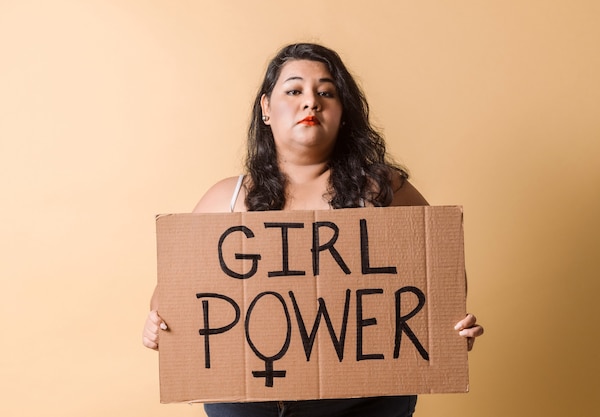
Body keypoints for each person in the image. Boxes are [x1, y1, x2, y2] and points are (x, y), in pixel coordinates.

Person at [142, 42, 484, 417]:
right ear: (266, 109)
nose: (311, 102)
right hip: (248, 403)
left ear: (342, 112)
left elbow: (440, 272)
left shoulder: (384, 190)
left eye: (326, 92)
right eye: (293, 90)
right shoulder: (227, 198)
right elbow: (172, 294)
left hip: (364, 401)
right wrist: (160, 325)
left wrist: (445, 329)